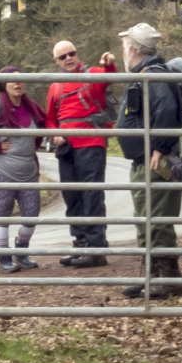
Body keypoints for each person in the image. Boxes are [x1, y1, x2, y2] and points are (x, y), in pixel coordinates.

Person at [116, 23, 182, 299]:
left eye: (124, 47)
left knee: (157, 220)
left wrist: (159, 146)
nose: (123, 52)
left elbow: (167, 110)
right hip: (143, 161)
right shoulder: (146, 75)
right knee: (145, 219)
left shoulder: (153, 76)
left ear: (132, 49)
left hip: (155, 162)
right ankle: (151, 276)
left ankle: (169, 279)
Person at [46, 40, 117, 267]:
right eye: (63, 56)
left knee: (91, 194)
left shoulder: (91, 74)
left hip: (91, 142)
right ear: (56, 61)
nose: (68, 58)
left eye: (72, 54)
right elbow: (49, 118)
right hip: (67, 147)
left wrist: (109, 63)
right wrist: (54, 133)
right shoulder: (55, 86)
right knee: (72, 196)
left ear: (77, 54)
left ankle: (97, 248)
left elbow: (108, 77)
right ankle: (81, 244)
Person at [0, 67, 47, 274]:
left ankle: (21, 252)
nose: (17, 84)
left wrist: (35, 145)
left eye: (20, 80)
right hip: (2, 170)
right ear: (3, 84)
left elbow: (44, 125)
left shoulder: (31, 107)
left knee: (31, 214)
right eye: (12, 81)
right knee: (3, 213)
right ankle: (4, 258)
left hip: (29, 170)